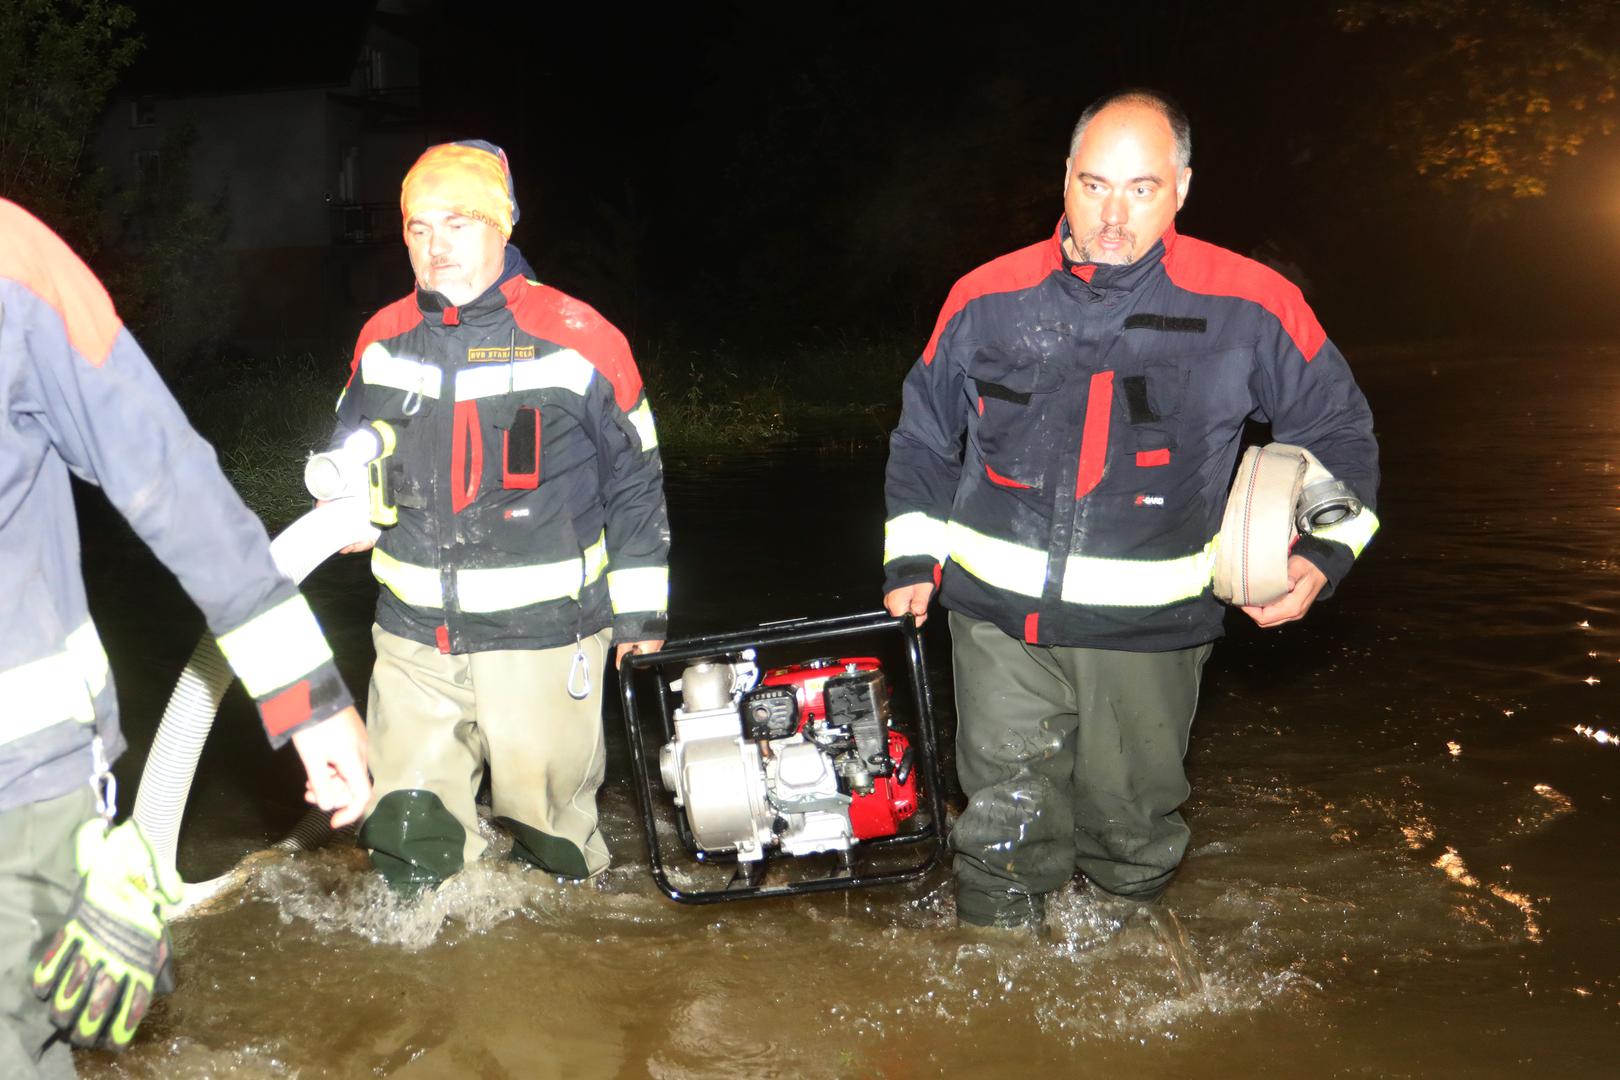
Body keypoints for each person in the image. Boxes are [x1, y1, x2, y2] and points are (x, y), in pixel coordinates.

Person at [881, 90, 1380, 928]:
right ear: (1065, 180)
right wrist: (910, 558)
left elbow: (1337, 432)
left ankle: (1126, 958)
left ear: (1181, 188)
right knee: (1002, 835)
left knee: (1129, 834)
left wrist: (1322, 556)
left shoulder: (1250, 302)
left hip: (1150, 633)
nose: (1113, 216)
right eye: (1095, 185)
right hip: (996, 623)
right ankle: (994, 979)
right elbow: (925, 436)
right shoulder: (984, 296)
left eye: (1142, 189)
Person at [0, 198, 371, 1076]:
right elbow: (167, 476)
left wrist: (308, 698)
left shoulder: (13, 262)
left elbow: (167, 481)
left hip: (19, 793)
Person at [330, 140, 668, 893]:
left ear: (503, 226)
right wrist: (343, 496)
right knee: (406, 836)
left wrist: (641, 618)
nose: (436, 245)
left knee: (552, 849)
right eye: (419, 228)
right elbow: (348, 443)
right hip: (413, 636)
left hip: (545, 638)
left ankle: (558, 950)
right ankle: (420, 953)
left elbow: (637, 482)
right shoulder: (382, 338)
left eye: (458, 224)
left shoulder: (579, 335)